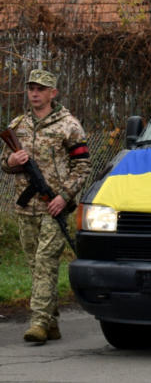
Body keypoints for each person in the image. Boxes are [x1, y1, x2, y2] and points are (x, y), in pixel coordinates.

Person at [1, 70, 90, 344]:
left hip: (55, 207)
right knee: (35, 265)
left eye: (41, 89)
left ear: (54, 93)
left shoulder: (69, 125)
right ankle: (51, 322)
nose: (34, 94)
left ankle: (38, 323)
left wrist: (64, 196)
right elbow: (5, 164)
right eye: (31, 89)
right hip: (26, 207)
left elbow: (83, 165)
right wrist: (13, 162)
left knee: (45, 262)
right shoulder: (18, 125)